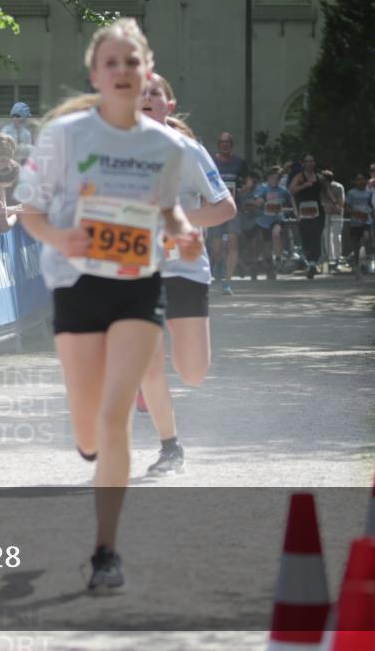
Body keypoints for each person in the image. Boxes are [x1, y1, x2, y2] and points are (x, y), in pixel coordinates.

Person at [17, 18, 201, 593]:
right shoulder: (65, 137)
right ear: (96, 75)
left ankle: (106, 551)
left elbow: (167, 207)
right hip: (76, 282)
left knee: (117, 413)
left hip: (137, 282)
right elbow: (29, 209)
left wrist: (183, 229)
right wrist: (60, 238)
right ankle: (89, 440)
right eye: (111, 63)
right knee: (89, 422)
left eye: (132, 63)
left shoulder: (166, 143)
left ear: (146, 73)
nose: (123, 72)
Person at [131, 73, 235, 475]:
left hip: (185, 269)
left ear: (168, 105)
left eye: (154, 93)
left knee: (192, 372)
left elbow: (225, 209)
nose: (145, 98)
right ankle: (170, 448)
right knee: (150, 364)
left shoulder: (188, 152)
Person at [208, 131, 249, 280]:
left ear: (231, 145)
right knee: (217, 248)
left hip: (233, 208)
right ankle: (218, 262)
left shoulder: (239, 163)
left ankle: (228, 279)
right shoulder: (212, 162)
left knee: (233, 241)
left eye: (228, 142)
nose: (225, 145)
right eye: (222, 142)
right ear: (218, 144)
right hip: (216, 208)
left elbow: (248, 181)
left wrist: (243, 189)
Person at [289, 154, 332, 280]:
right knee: (306, 237)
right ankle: (311, 262)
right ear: (303, 164)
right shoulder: (299, 177)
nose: (310, 163)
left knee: (316, 236)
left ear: (314, 163)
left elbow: (327, 191)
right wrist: (303, 186)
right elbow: (290, 190)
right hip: (303, 212)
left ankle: (312, 264)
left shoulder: (320, 177)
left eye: (312, 161)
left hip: (317, 212)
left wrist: (335, 203)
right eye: (307, 161)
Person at [252, 166, 296, 280]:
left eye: (277, 178)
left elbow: (291, 198)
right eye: (272, 178)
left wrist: (295, 211)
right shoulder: (263, 188)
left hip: (277, 218)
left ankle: (278, 258)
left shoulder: (282, 190)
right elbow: (257, 200)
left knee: (276, 234)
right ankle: (269, 265)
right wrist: (260, 201)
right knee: (266, 245)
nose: (274, 180)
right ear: (268, 178)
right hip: (264, 220)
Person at [346, 172, 375, 280]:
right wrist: (355, 213)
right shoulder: (351, 193)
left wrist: (373, 212)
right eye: (358, 179)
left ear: (366, 181)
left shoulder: (369, 193)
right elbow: (347, 208)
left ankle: (367, 261)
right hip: (355, 222)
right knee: (356, 245)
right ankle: (357, 265)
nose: (360, 181)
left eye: (362, 179)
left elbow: (370, 204)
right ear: (355, 181)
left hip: (366, 220)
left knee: (367, 238)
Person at [320, 169, 345, 271]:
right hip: (325, 214)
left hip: (337, 215)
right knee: (326, 236)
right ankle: (331, 259)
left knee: (336, 236)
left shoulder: (338, 187)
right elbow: (320, 203)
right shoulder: (320, 188)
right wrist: (327, 207)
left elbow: (341, 204)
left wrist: (332, 207)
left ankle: (338, 259)